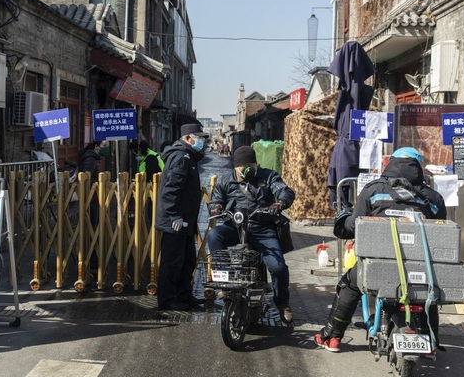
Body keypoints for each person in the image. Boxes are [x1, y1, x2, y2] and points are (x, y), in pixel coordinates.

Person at [314, 147, 447, 353]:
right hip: (420, 269)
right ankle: (432, 338)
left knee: (349, 285)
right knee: (427, 293)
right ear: (418, 166)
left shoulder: (373, 190)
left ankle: (332, 337)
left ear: (391, 163)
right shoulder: (433, 198)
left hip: (375, 265)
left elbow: (354, 225)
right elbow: (441, 233)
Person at [206, 146, 296, 324]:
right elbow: (216, 199)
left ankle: (282, 302)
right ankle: (227, 280)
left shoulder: (269, 176)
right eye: (243, 166)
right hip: (235, 227)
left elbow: (285, 191)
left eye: (250, 165)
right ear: (235, 167)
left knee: (278, 267)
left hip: (263, 229)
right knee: (214, 235)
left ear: (255, 164)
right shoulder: (225, 180)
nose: (247, 169)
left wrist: (280, 203)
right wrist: (216, 207)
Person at [155, 124, 209, 311]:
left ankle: (184, 295)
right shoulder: (181, 157)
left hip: (186, 221)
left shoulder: (190, 157)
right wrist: (175, 216)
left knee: (187, 261)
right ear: (188, 138)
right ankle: (168, 299)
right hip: (175, 223)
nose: (203, 142)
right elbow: (170, 190)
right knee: (173, 262)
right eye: (199, 138)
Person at [78, 142, 101, 224]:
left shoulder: (93, 157)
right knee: (93, 216)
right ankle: (92, 235)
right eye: (102, 146)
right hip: (91, 191)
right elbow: (87, 175)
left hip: (94, 191)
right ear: (96, 146)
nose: (101, 149)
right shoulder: (91, 158)